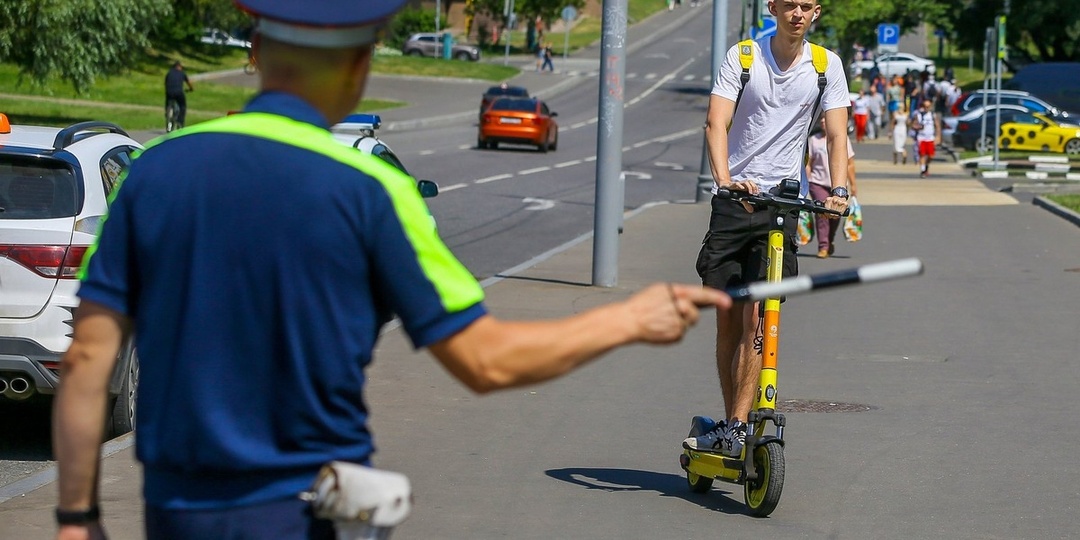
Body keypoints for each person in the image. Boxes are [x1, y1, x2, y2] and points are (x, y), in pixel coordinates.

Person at [51, 1, 732, 538]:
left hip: (178, 508)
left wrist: (77, 518)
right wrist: (625, 320)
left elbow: (86, 359)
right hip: (312, 508)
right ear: (359, 62)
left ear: (257, 52)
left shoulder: (153, 171)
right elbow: (485, 361)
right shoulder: (372, 191)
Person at [688, 0, 849, 457]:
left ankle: (739, 425)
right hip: (734, 201)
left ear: (816, 13)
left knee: (760, 317)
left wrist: (838, 190)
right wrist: (725, 181)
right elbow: (715, 122)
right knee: (728, 319)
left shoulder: (826, 66)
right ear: (773, 7)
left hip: (781, 204)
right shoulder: (744, 58)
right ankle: (730, 422)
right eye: (789, 4)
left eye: (806, 6)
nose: (797, 13)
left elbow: (837, 134)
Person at [806, 118, 857, 258]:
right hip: (817, 182)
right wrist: (807, 180)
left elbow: (850, 164)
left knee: (835, 214)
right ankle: (823, 246)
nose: (823, 121)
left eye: (825, 119)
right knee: (822, 213)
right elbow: (809, 163)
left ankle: (830, 239)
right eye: (821, 119)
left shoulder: (843, 139)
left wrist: (853, 184)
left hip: (837, 186)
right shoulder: (814, 140)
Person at [163, 60, 193, 130]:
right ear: (179, 67)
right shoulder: (182, 73)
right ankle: (180, 122)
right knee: (182, 106)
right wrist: (191, 89)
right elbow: (188, 82)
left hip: (169, 92)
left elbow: (166, 82)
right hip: (179, 92)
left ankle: (167, 111)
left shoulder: (169, 73)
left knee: (168, 102)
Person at [912, 98, 938, 177]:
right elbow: (913, 125)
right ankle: (923, 170)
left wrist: (938, 137)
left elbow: (937, 126)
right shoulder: (919, 115)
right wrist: (918, 127)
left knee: (931, 156)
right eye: (925, 106)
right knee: (922, 154)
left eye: (928, 106)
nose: (926, 108)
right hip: (921, 137)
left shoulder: (932, 115)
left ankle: (926, 165)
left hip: (930, 138)